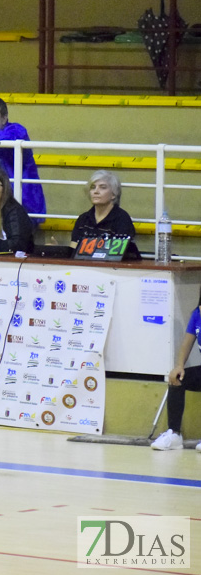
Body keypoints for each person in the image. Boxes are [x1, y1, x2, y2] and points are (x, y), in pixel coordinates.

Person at [151, 293, 201, 451]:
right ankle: (174, 434)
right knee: (177, 377)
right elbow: (187, 343)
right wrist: (179, 365)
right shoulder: (197, 314)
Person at [69, 170, 139, 259]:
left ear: (113, 194)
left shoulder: (122, 219)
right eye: (93, 187)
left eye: (102, 187)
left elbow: (117, 256)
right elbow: (73, 252)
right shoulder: (83, 219)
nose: (96, 191)